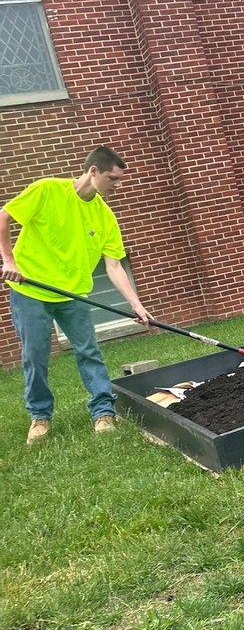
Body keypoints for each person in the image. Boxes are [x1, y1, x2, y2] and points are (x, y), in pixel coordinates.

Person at [0, 147, 151, 445]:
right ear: (93, 171)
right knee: (35, 355)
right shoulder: (47, 190)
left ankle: (103, 412)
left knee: (89, 352)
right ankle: (40, 416)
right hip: (30, 290)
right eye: (113, 179)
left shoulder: (105, 216)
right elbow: (4, 216)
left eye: (120, 180)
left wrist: (136, 304)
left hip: (74, 294)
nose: (116, 186)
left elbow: (114, 264)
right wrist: (9, 261)